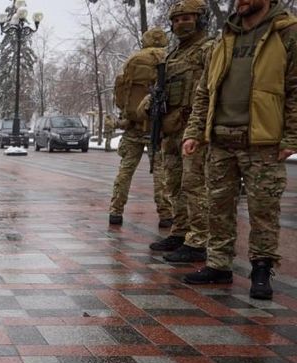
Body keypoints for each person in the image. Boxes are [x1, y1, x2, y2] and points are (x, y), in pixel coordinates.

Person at [181, 0, 296, 299]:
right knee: (217, 207)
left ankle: (261, 268)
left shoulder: (286, 33)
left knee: (263, 210)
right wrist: (194, 132)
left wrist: (292, 137)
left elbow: (295, 88)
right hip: (220, 140)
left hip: (262, 141)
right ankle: (218, 264)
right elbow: (205, 90)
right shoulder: (226, 37)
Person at [148, 0, 214, 263]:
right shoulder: (173, 55)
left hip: (193, 129)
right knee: (173, 184)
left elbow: (212, 89)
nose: (181, 23)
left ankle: (199, 240)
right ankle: (181, 231)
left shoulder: (207, 49)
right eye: (176, 20)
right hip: (171, 129)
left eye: (188, 18)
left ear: (200, 19)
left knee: (194, 185)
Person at [108, 27, 171, 227]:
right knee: (161, 174)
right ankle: (166, 214)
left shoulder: (132, 61)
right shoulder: (170, 60)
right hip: (159, 127)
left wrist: (128, 112)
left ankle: (116, 211)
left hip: (133, 125)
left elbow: (120, 92)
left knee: (125, 172)